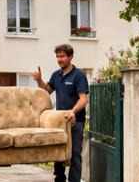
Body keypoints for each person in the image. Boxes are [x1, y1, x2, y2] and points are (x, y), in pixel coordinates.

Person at [32, 44, 88, 182]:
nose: (59, 59)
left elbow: (83, 99)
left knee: (74, 155)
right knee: (59, 152)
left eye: (62, 56)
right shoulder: (56, 75)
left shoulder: (79, 75)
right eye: (57, 56)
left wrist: (73, 111)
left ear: (70, 57)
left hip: (76, 122)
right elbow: (47, 91)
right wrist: (39, 80)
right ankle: (60, 178)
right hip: (60, 121)